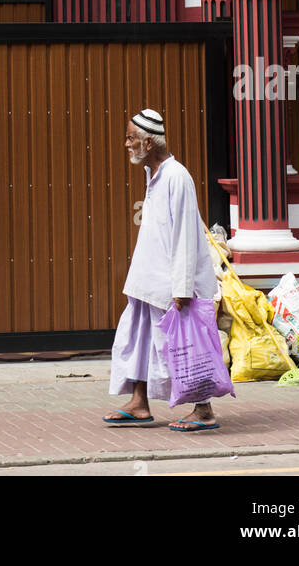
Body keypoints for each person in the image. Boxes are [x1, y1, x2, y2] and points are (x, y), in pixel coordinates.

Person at [104, 108, 227, 432]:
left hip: (172, 287)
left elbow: (186, 235)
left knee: (186, 347)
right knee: (141, 341)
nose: (126, 144)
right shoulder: (154, 174)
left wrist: (182, 288)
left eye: (130, 138)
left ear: (147, 142)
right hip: (148, 283)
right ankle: (139, 403)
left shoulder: (176, 176)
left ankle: (204, 411)